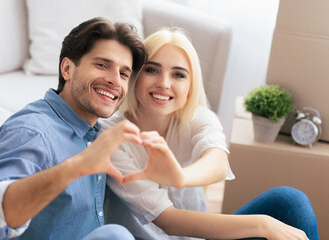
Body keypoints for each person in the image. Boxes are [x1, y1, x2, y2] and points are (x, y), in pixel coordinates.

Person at [101, 28, 319, 240]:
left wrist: (180, 177)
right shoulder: (111, 135)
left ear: (190, 87)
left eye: (178, 74)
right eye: (151, 70)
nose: (164, 83)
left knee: (291, 201)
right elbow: (168, 221)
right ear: (135, 76)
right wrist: (262, 225)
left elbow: (218, 162)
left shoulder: (197, 118)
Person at [0, 17, 147, 240]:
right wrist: (76, 166)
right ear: (67, 69)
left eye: (124, 74)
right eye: (102, 65)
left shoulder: (100, 134)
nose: (115, 80)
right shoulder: (33, 131)